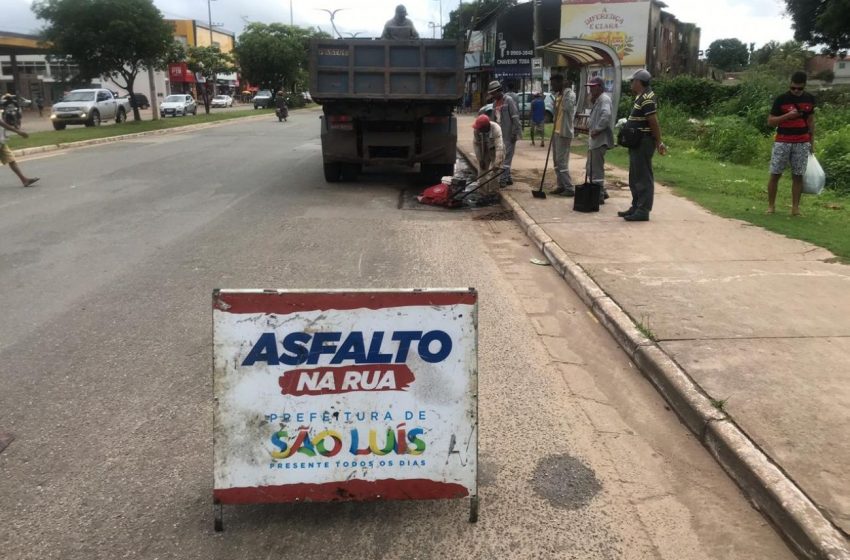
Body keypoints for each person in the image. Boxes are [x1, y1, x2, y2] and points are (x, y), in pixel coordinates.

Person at [766, 71, 815, 216]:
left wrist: (811, 142)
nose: (796, 91)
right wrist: (787, 116)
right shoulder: (781, 99)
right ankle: (771, 206)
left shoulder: (810, 99)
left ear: (804, 86)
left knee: (798, 175)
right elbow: (770, 121)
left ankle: (795, 208)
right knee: (775, 174)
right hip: (783, 140)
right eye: (793, 88)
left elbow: (811, 121)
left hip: (802, 141)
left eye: (799, 89)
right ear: (790, 85)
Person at [619, 69, 666, 221]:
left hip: (644, 141)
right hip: (636, 142)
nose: (631, 84)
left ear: (639, 82)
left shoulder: (647, 98)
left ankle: (643, 210)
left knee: (643, 176)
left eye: (633, 81)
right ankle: (636, 206)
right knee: (634, 176)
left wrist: (659, 141)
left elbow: (653, 121)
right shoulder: (641, 97)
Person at [487, 80, 520, 187]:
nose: (492, 95)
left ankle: (503, 180)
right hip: (499, 135)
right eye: (491, 94)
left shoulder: (508, 101)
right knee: (503, 157)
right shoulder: (494, 104)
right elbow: (492, 121)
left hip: (509, 134)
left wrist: (515, 133)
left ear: (499, 91)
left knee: (506, 159)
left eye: (493, 93)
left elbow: (515, 117)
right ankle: (508, 178)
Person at [586, 77, 614, 203]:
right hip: (595, 141)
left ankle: (599, 195)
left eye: (593, 86)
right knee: (590, 168)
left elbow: (606, 115)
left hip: (599, 140)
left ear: (600, 87)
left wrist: (597, 129)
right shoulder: (598, 100)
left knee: (596, 170)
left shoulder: (604, 99)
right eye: (590, 86)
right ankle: (601, 191)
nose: (591, 89)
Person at [549, 74, 576, 196]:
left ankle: (569, 188)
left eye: (554, 84)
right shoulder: (558, 95)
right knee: (556, 161)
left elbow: (567, 107)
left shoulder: (569, 94)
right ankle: (560, 185)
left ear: (561, 83)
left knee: (562, 161)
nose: (552, 86)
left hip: (564, 132)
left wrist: (565, 91)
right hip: (556, 132)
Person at [472, 114, 505, 199]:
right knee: (482, 171)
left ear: (485, 127)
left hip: (495, 150)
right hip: (485, 150)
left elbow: (499, 147)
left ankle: (493, 193)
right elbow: (476, 145)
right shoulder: (477, 130)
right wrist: (480, 159)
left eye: (480, 128)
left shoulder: (496, 129)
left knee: (495, 173)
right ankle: (482, 193)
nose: (478, 129)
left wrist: (497, 163)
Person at [0, 118, 39, 187]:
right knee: (11, 161)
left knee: (11, 160)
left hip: (1, 142)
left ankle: (24, 180)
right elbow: (2, 124)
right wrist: (19, 132)